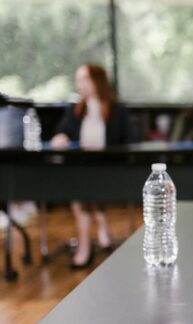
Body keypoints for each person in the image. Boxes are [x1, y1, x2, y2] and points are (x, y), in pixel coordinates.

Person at [51, 64, 135, 268]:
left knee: (84, 191)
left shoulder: (118, 110)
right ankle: (92, 239)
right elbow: (61, 133)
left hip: (111, 170)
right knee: (82, 189)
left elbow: (130, 141)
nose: (79, 84)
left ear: (97, 81)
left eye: (83, 79)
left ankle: (86, 247)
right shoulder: (75, 110)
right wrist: (60, 137)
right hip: (82, 170)